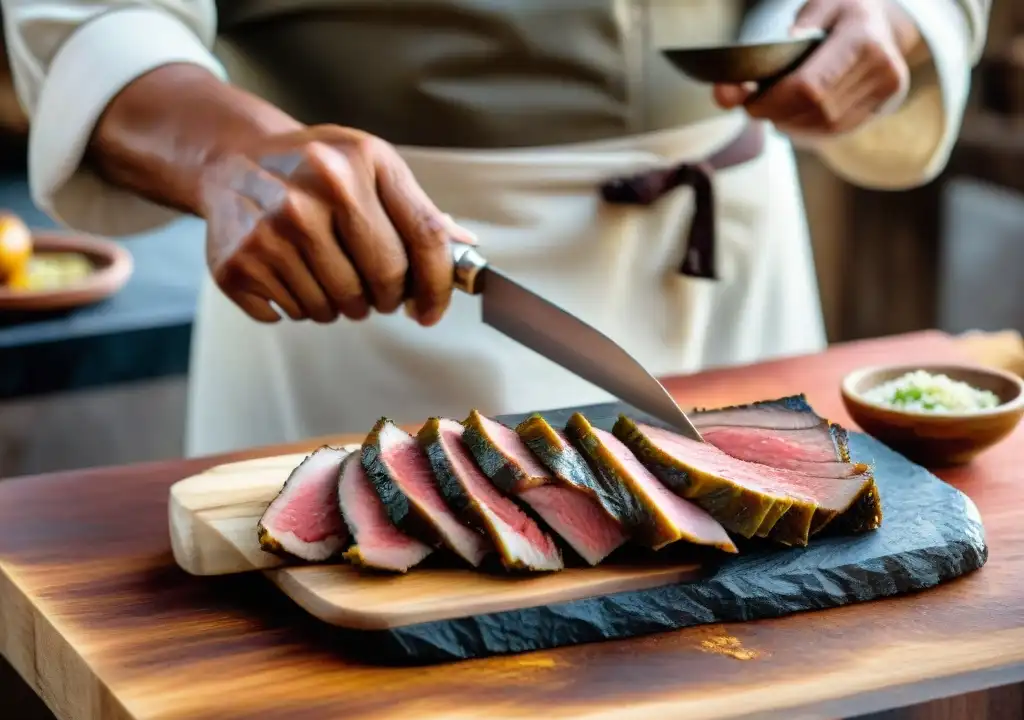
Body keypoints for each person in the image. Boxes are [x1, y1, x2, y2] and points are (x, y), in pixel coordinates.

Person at [1, 0, 990, 457]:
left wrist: (902, 13)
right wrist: (226, 153)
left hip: (737, 262)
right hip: (370, 269)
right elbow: (89, 17)